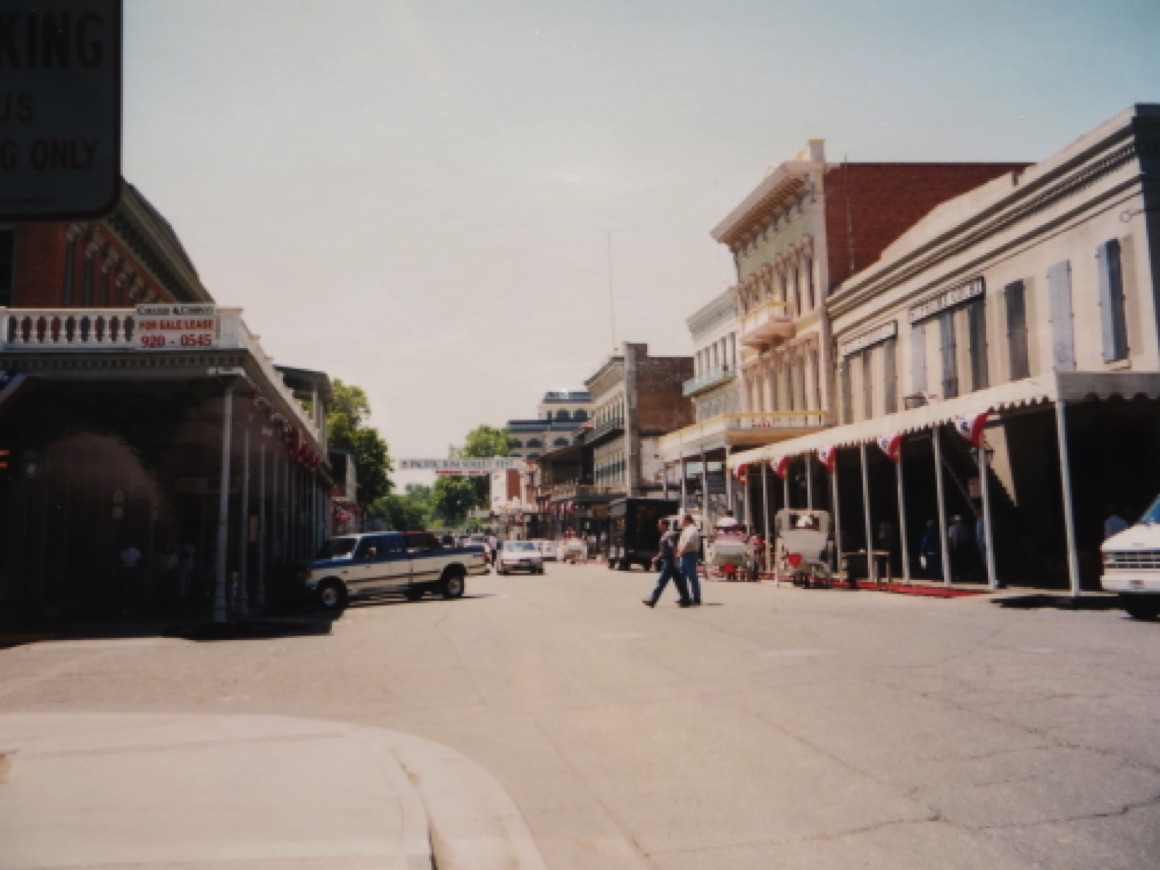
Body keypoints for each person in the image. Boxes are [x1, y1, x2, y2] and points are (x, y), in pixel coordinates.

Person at [643, 520, 691, 607]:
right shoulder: (665, 535)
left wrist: (675, 560)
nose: (658, 526)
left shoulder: (669, 535)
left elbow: (673, 547)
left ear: (664, 525)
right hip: (668, 559)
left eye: (660, 524)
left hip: (670, 561)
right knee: (679, 581)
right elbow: (663, 551)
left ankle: (652, 600)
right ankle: (686, 599)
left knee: (661, 581)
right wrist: (657, 557)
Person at [676, 514, 702, 606]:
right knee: (682, 577)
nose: (680, 522)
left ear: (687, 520)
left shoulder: (692, 530)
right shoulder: (686, 529)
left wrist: (680, 553)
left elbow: (689, 543)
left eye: (682, 520)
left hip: (689, 555)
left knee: (692, 577)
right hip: (685, 555)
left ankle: (696, 597)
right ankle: (684, 596)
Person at [948, 515, 971, 581]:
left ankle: (958, 575)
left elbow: (954, 538)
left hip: (958, 545)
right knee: (964, 560)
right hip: (966, 545)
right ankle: (966, 574)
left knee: (957, 561)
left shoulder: (953, 528)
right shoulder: (965, 527)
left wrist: (954, 546)